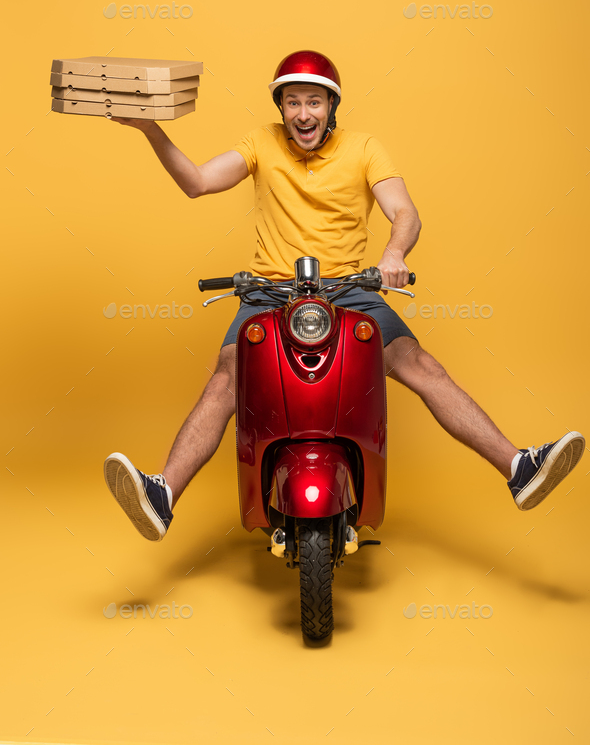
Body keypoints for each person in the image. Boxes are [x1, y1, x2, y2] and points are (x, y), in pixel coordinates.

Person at [103, 50, 585, 541]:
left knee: (421, 365)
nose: (303, 114)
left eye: (314, 101)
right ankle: (163, 494)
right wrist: (150, 129)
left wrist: (394, 256)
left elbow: (405, 213)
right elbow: (198, 183)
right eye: (293, 103)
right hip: (271, 293)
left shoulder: (365, 148)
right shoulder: (260, 143)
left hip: (350, 290)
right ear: (282, 108)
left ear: (332, 106)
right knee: (229, 374)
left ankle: (518, 468)